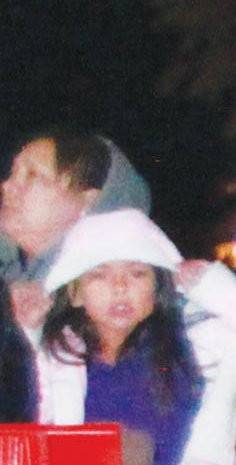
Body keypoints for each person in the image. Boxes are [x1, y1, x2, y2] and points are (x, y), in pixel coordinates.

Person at [34, 209, 236, 465]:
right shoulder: (53, 358)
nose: (119, 287)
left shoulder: (199, 347)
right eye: (99, 275)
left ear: (158, 287)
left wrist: (219, 290)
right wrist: (28, 327)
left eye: (137, 274)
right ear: (73, 291)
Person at [4, 129, 154, 335]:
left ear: (89, 201)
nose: (7, 187)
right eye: (12, 174)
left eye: (32, 175)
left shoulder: (109, 311)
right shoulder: (13, 280)